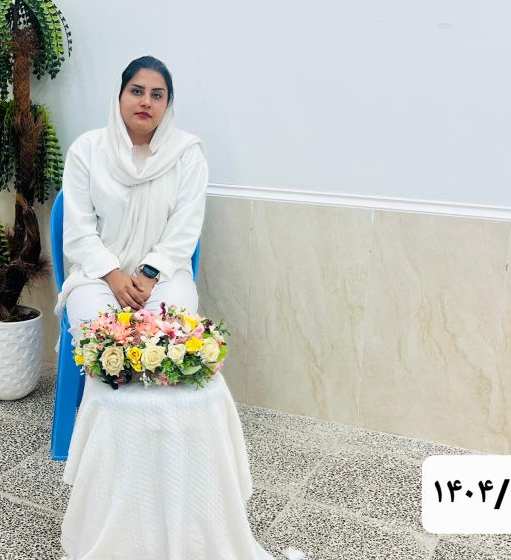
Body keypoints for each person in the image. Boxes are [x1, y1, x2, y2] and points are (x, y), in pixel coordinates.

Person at [54, 56, 303, 560]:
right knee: (109, 352)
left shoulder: (187, 154)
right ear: (120, 95)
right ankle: (114, 488)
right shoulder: (87, 151)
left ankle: (182, 470)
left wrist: (146, 275)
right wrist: (114, 276)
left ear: (169, 103)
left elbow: (184, 230)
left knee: (176, 352)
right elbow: (78, 233)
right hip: (97, 278)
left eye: (157, 94)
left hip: (163, 277)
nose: (146, 102)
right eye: (137, 91)